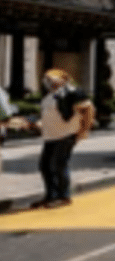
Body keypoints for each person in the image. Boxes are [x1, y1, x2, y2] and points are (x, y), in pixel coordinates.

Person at [28, 69, 96, 208]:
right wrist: (36, 124)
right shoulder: (50, 96)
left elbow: (89, 109)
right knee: (45, 165)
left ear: (63, 79)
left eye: (51, 78)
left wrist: (84, 130)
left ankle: (64, 196)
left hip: (66, 134)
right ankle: (51, 196)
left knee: (59, 164)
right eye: (46, 79)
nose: (47, 82)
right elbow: (49, 116)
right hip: (51, 136)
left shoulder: (72, 92)